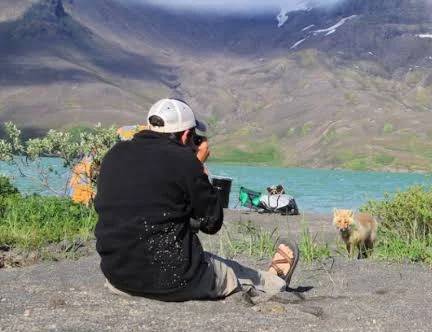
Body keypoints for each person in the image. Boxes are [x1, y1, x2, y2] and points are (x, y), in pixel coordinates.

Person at [93, 98, 299, 302]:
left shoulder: (115, 154)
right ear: (185, 135)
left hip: (118, 278)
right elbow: (212, 222)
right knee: (235, 273)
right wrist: (197, 166)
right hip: (174, 281)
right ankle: (274, 281)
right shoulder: (185, 162)